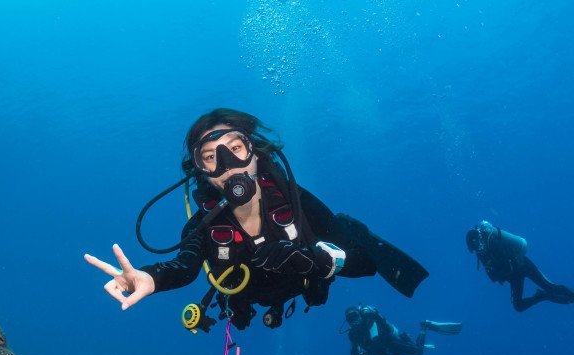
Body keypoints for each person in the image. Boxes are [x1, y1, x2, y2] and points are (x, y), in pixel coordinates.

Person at [84, 108, 430, 332]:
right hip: (248, 298)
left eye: (235, 149)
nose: (227, 165)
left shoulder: (294, 201)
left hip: (301, 286)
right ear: (202, 172)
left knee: (346, 230)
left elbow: (365, 264)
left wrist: (319, 261)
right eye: (210, 157)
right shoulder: (204, 226)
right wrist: (149, 278)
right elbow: (183, 267)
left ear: (254, 152)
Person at [466, 220, 574, 311]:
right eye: (475, 249)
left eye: (477, 247)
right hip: (514, 276)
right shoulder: (482, 255)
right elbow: (493, 277)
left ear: (479, 240)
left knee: (551, 288)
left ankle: (571, 297)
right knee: (518, 306)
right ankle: (542, 296)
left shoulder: (493, 242)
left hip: (523, 265)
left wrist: (499, 272)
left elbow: (507, 264)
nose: (478, 250)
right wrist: (496, 273)